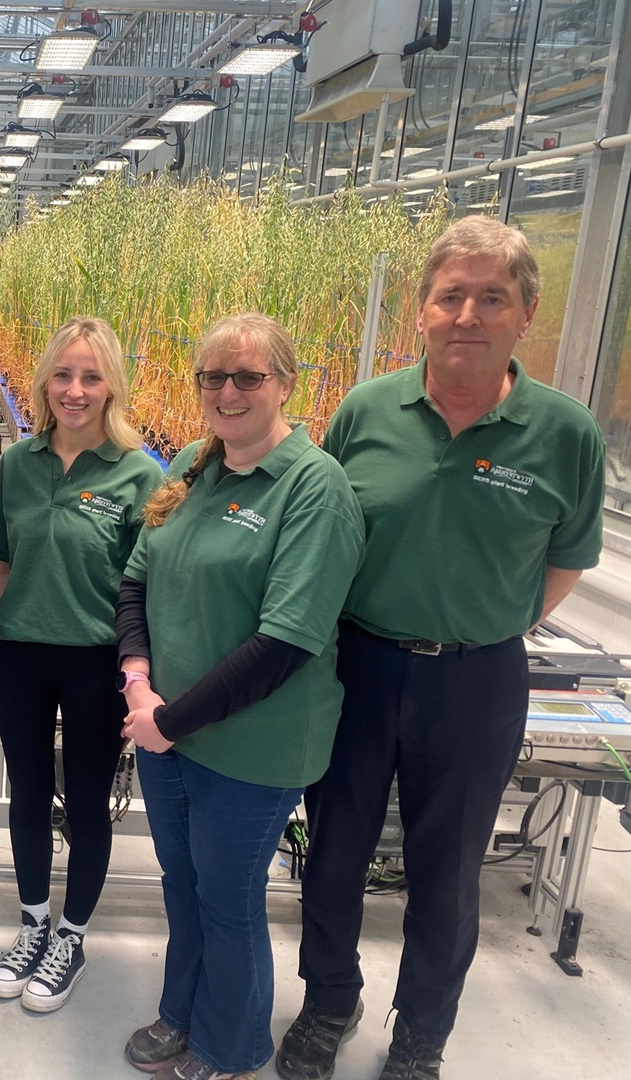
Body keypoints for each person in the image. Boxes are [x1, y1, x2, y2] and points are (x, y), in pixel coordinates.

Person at [279, 218, 605, 1080]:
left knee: (450, 869)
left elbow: (568, 559)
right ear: (422, 311)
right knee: (334, 848)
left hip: (476, 681)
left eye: (491, 297)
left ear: (524, 314)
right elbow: (321, 526)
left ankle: (422, 1034)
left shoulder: (565, 434)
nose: (468, 314)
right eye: (450, 296)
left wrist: (482, 620)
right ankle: (328, 1001)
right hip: (356, 664)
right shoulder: (367, 410)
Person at [115, 312, 364, 1080]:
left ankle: (232, 1049)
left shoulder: (314, 490)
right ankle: (181, 1014)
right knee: (183, 885)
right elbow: (136, 581)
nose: (227, 392)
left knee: (228, 899)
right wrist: (137, 681)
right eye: (213, 377)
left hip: (250, 745)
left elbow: (282, 644)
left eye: (248, 377)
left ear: (286, 385)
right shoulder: (195, 462)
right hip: (166, 727)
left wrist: (166, 720)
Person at [0, 316, 163, 1012]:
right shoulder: (20, 466)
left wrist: (137, 679)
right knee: (26, 795)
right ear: (43, 382)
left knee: (87, 802)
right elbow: (1, 562)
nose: (75, 389)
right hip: (23, 656)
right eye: (63, 374)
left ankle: (72, 936)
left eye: (90, 376)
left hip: (97, 663)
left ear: (111, 386)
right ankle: (32, 923)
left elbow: (145, 586)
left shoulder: (138, 474)